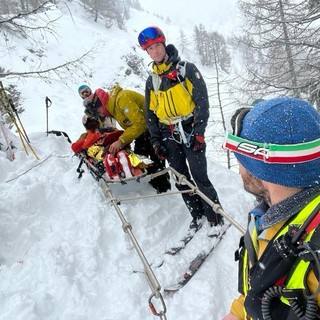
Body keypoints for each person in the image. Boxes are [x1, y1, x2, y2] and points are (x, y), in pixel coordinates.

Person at [222, 97, 320, 320]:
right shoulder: (267, 217)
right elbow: (259, 287)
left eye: (242, 160)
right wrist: (239, 313)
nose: (239, 168)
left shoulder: (315, 248)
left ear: (263, 170)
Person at [137, 26, 223, 233]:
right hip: (168, 133)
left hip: (190, 128)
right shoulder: (152, 81)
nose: (155, 51)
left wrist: (199, 132)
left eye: (157, 45)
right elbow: (150, 116)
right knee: (180, 178)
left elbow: (202, 102)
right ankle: (197, 215)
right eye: (150, 49)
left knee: (199, 177)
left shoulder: (186, 69)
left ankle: (214, 217)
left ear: (164, 44)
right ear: (147, 52)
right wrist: (156, 141)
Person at [82, 83, 171, 193]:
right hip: (144, 133)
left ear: (101, 104)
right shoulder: (114, 108)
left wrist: (121, 141)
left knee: (153, 161)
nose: (101, 115)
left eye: (99, 112)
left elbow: (140, 123)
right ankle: (154, 185)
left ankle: (163, 190)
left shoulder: (122, 99)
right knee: (140, 159)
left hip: (155, 130)